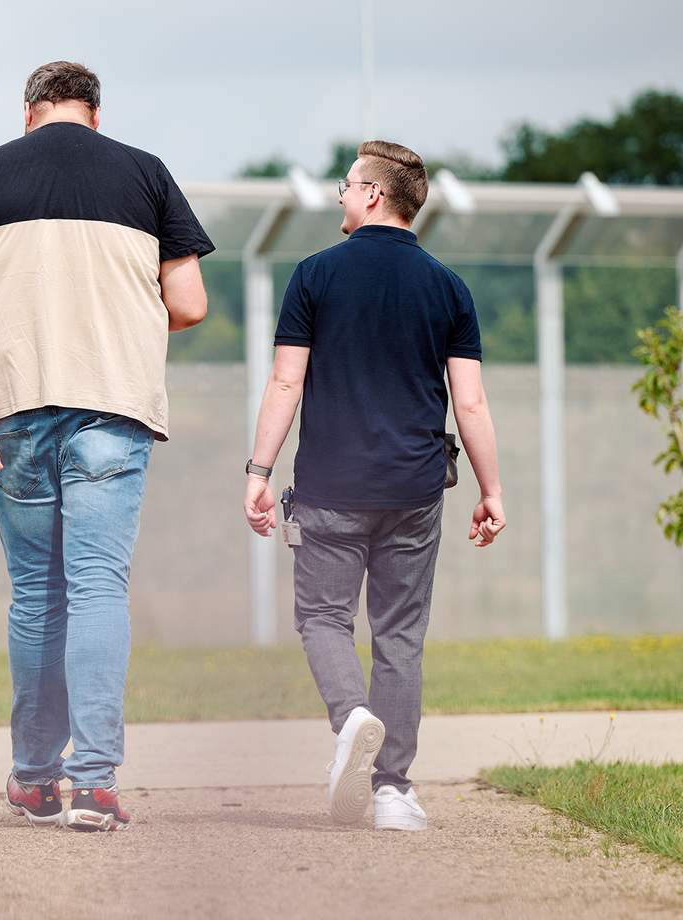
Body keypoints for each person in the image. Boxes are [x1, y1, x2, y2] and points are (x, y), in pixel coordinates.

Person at [0, 61, 213, 832]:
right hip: (113, 410)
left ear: (29, 114)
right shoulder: (145, 174)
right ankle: (96, 784)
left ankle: (34, 779)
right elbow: (189, 302)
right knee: (96, 588)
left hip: (13, 412)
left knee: (38, 596)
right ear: (94, 112)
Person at [242, 140, 505, 831]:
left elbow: (286, 381)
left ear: (373, 195)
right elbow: (470, 403)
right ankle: (393, 793)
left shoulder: (314, 276)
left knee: (324, 618)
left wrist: (259, 472)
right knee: (400, 635)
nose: (338, 196)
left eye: (346, 185)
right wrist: (492, 490)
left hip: (329, 487)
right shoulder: (448, 287)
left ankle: (351, 717)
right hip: (415, 493)